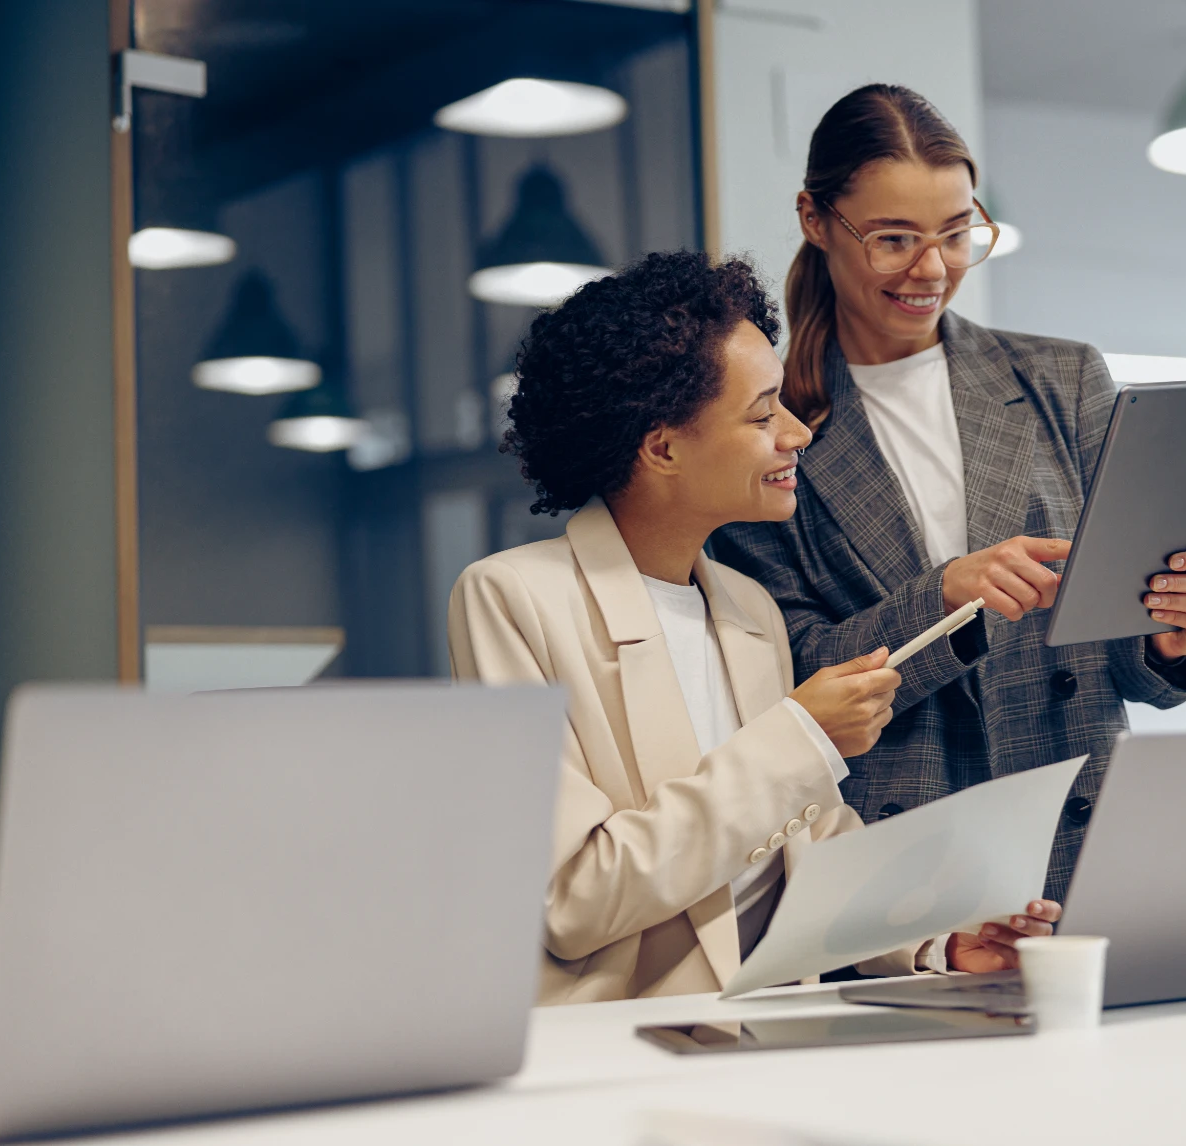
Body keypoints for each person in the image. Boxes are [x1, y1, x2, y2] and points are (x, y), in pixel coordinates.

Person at [449, 251, 1057, 1004]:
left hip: (768, 1029)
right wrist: (803, 736)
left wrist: (937, 937)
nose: (798, 433)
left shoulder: (748, 609)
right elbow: (575, 901)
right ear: (663, 447)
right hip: (617, 1050)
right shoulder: (512, 598)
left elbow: (803, 849)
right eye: (763, 412)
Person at [711, 85, 1186, 903]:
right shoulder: (768, 422)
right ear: (815, 220)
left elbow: (1126, 661)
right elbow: (786, 675)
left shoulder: (1063, 380)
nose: (933, 270)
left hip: (1078, 832)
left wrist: (1181, 631)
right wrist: (945, 598)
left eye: (958, 234)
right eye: (893, 239)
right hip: (897, 859)